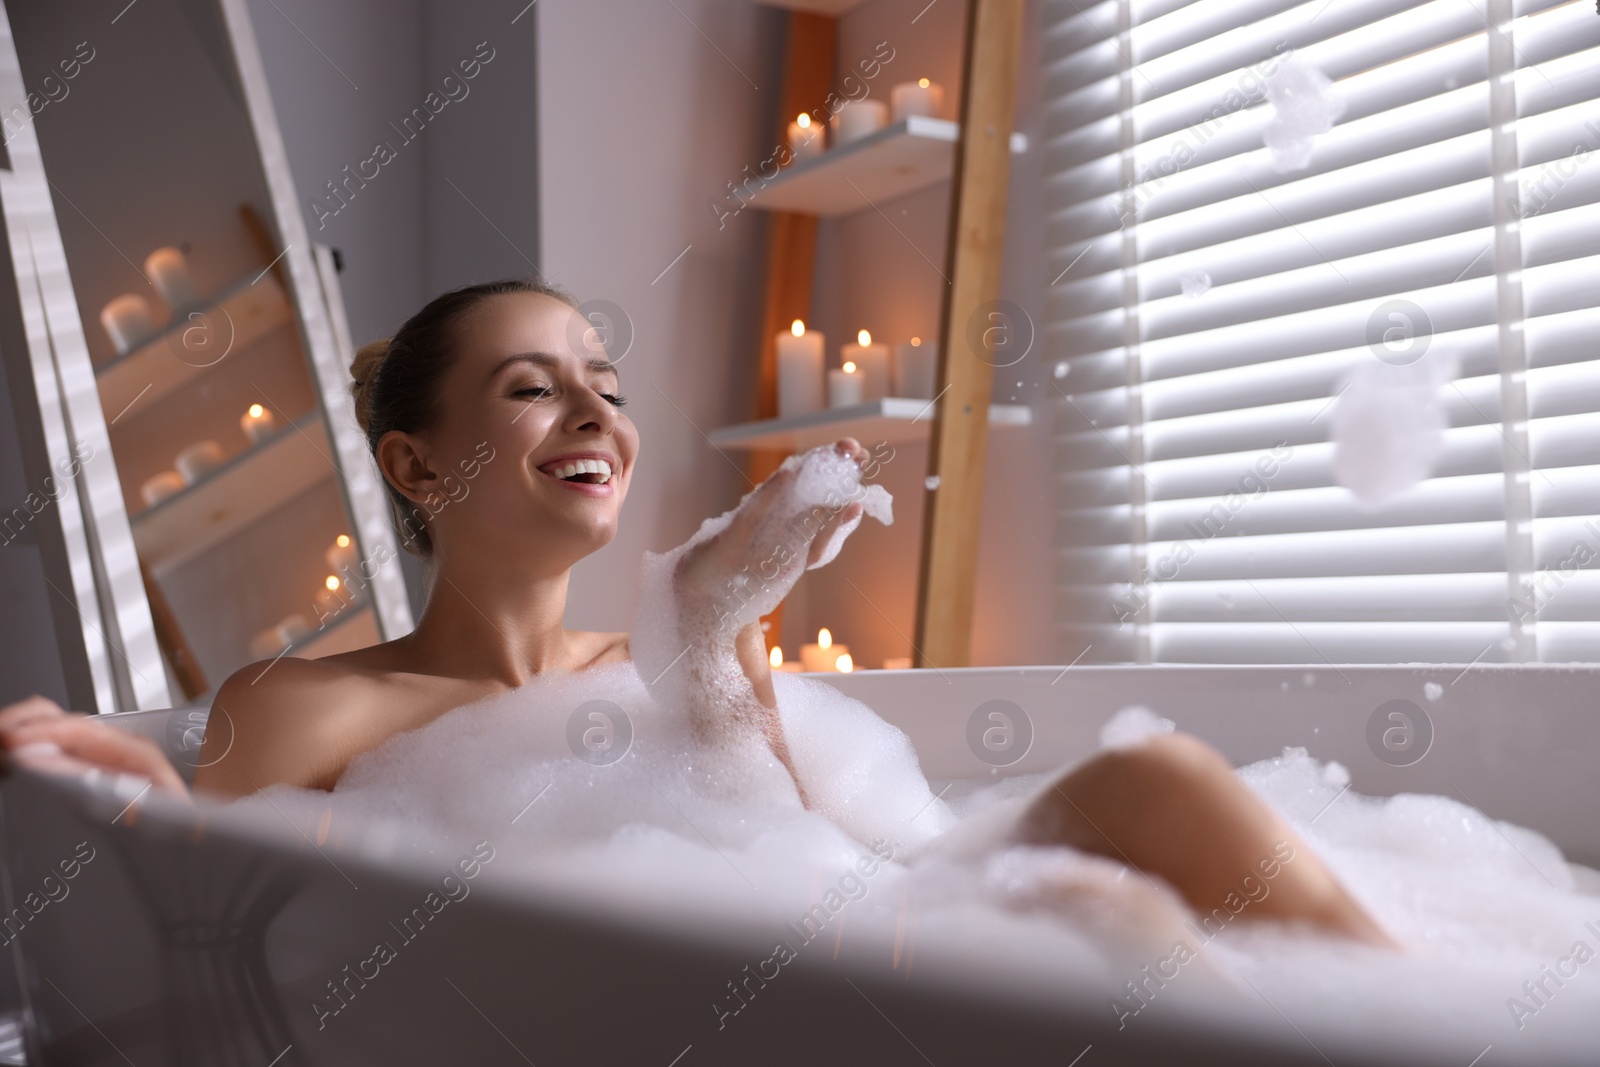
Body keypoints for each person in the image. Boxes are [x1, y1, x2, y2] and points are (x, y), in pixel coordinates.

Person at [0, 279, 1391, 946]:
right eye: (534, 387)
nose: (598, 411)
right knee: (1098, 911)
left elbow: (809, 859)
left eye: (603, 379)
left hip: (864, 933)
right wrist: (148, 820)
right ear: (416, 465)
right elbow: (251, 940)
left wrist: (713, 635)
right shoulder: (309, 704)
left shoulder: (660, 669)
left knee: (1153, 782)